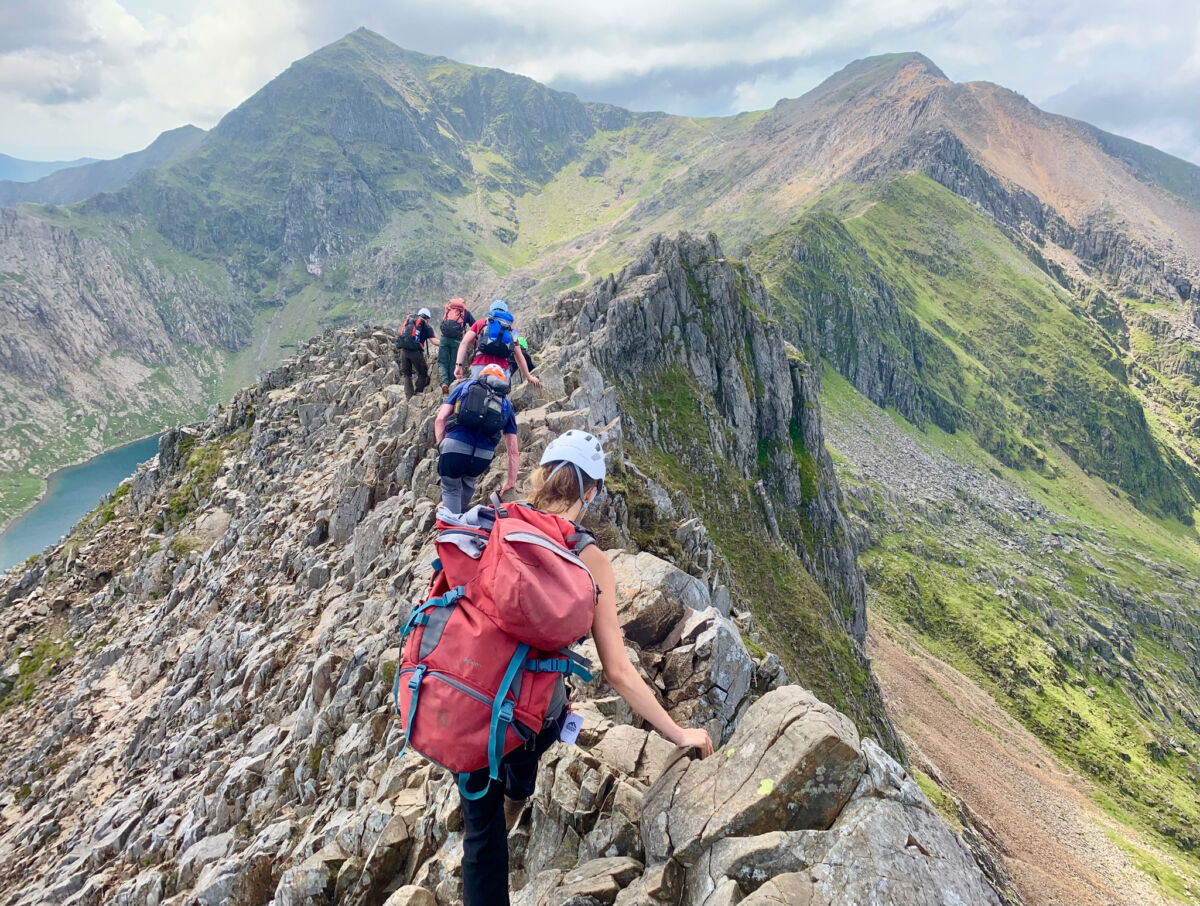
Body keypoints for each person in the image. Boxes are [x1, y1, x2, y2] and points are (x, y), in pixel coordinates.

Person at [458, 429, 714, 906]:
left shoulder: (493, 521)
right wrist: (679, 734)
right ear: (591, 491)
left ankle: (492, 820)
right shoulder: (590, 558)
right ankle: (515, 797)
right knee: (525, 758)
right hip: (529, 719)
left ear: (539, 475)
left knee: (480, 835)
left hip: (465, 697)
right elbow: (617, 670)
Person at [434, 364, 519, 514]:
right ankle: (459, 520)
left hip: (454, 446)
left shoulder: (466, 386)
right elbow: (513, 449)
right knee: (468, 481)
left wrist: (441, 445)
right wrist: (511, 481)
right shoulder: (506, 403)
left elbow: (440, 419)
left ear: (482, 375)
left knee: (451, 488)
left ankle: (452, 528)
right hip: (482, 456)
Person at [454, 299, 540, 387]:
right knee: (500, 399)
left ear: (491, 311)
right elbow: (519, 356)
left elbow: (464, 343)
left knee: (475, 395)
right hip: (502, 370)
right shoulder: (510, 330)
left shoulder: (481, 323)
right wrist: (528, 377)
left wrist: (458, 365)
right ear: (506, 312)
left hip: (480, 366)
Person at [396, 307, 439, 398]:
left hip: (404, 350)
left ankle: (409, 395)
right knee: (423, 372)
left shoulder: (410, 321)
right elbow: (434, 341)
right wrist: (445, 344)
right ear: (428, 318)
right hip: (415, 352)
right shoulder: (426, 326)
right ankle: (418, 392)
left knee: (407, 374)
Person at [436, 298, 475, 394]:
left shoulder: (448, 309)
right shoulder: (465, 313)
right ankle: (451, 384)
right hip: (457, 341)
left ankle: (444, 383)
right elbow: (474, 325)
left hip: (444, 339)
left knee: (442, 362)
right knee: (454, 362)